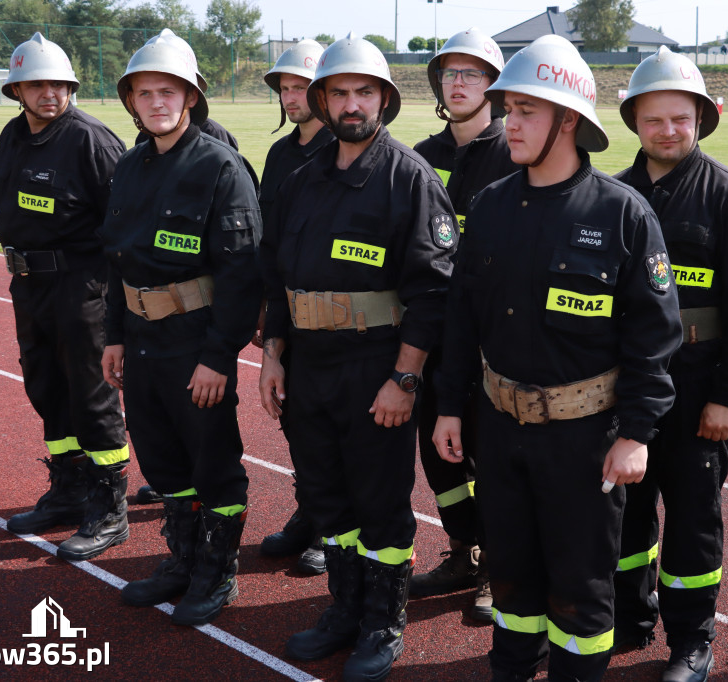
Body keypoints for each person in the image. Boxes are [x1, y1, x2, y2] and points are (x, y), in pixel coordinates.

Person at [431, 35, 682, 682]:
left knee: (580, 594)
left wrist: (635, 434)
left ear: (569, 120)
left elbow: (655, 340)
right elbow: (461, 317)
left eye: (525, 111)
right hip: (501, 430)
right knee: (512, 584)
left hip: (586, 443)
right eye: (508, 109)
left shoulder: (624, 215)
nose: (509, 123)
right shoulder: (489, 208)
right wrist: (449, 408)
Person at [258, 33, 456, 682]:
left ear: (385, 100)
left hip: (377, 373)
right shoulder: (300, 179)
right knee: (326, 498)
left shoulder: (409, 179)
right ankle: (343, 609)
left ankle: (382, 622)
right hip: (309, 368)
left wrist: (405, 378)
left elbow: (432, 295)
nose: (350, 104)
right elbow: (280, 276)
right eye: (338, 92)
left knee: (379, 505)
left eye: (363, 92)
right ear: (321, 99)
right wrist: (274, 355)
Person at [611, 46, 728, 682]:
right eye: (655, 119)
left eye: (682, 118)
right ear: (635, 122)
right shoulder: (613, 196)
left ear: (702, 120)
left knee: (691, 524)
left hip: (697, 394)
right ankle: (631, 614)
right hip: (627, 396)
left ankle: (690, 640)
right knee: (625, 514)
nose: (669, 130)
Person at [98, 28, 263, 627]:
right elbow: (118, 261)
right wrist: (114, 335)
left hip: (196, 343)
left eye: (170, 91)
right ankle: (183, 561)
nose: (157, 103)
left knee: (212, 461)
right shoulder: (130, 165)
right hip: (141, 344)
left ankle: (218, 573)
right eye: (145, 93)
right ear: (131, 102)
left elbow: (243, 275)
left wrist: (219, 358)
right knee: (163, 461)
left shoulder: (221, 167)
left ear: (191, 97)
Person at [0, 32, 131, 562]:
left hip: (82, 286)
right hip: (29, 284)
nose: (50, 93)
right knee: (45, 386)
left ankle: (109, 509)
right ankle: (68, 491)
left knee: (92, 395)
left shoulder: (91, 140)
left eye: (59, 84)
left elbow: (122, 222)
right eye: (37, 84)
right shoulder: (12, 136)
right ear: (17, 90)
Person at [410, 26, 518, 621]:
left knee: (489, 456)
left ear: (494, 86)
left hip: (492, 341)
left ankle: (498, 566)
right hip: (433, 335)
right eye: (450, 73)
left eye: (471, 73)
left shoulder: (513, 154)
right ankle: (464, 550)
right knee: (439, 454)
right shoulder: (421, 158)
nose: (458, 83)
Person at [255, 38, 336, 576]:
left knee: (336, 427)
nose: (290, 97)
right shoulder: (281, 153)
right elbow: (267, 237)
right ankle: (309, 513)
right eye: (284, 87)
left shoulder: (345, 147)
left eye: (299, 87)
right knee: (297, 420)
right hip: (286, 306)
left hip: (336, 314)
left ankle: (332, 526)